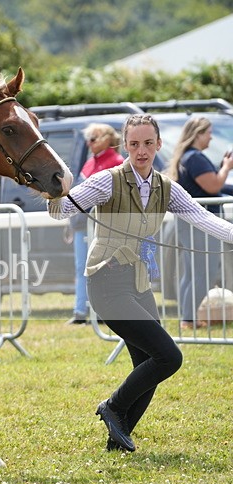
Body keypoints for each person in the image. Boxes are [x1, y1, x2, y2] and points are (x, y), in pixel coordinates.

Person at [48, 114, 233, 453]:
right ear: (125, 145)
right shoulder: (107, 181)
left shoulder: (167, 187)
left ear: (159, 145)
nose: (142, 151)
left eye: (148, 143)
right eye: (134, 144)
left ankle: (118, 439)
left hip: (138, 281)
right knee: (169, 357)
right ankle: (113, 407)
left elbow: (203, 217)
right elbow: (61, 212)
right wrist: (55, 190)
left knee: (148, 364)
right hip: (106, 281)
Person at [166, 117, 233, 329]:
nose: (211, 136)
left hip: (191, 221)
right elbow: (213, 186)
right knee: (205, 271)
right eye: (208, 132)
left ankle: (188, 317)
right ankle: (189, 319)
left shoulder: (186, 157)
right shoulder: (195, 158)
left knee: (193, 271)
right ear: (198, 134)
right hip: (201, 222)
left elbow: (210, 187)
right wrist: (227, 167)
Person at [65, 123, 124, 325]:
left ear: (108, 139)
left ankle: (101, 311)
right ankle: (81, 310)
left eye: (94, 138)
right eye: (88, 139)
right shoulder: (89, 163)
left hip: (103, 225)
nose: (89, 143)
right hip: (83, 224)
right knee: (82, 267)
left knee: (102, 268)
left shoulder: (116, 161)